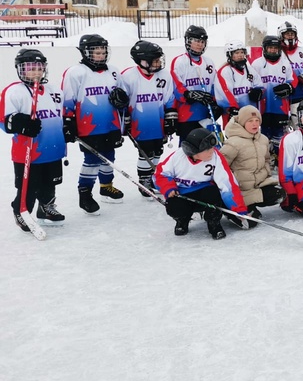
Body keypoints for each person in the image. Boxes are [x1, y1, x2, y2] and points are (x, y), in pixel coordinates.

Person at [2, 49, 67, 232]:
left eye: (39, 67)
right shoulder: (14, 91)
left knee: (50, 182)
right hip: (28, 151)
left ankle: (46, 208)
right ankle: (22, 210)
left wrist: (68, 128)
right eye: (30, 68)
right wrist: (20, 124)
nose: (35, 72)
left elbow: (60, 115)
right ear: (20, 70)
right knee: (29, 185)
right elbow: (4, 121)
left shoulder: (55, 91)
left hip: (53, 147)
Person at [62, 34, 128, 212]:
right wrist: (68, 122)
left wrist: (123, 102)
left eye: (103, 52)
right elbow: (67, 99)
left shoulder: (113, 71)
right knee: (92, 160)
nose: (100, 55)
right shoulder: (75, 72)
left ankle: (106, 187)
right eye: (96, 52)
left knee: (109, 157)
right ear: (85, 52)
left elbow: (121, 94)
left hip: (111, 123)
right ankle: (85, 193)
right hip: (88, 126)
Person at [154, 128, 248, 239]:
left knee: (213, 193)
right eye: (207, 149)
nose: (212, 151)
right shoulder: (177, 157)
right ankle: (182, 221)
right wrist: (168, 188)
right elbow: (159, 174)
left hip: (204, 192)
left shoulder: (216, 158)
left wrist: (239, 210)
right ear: (193, 150)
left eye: (212, 147)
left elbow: (227, 184)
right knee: (174, 206)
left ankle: (214, 224)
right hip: (182, 193)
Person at [118, 41, 177, 196]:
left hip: (158, 121)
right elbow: (122, 101)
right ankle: (144, 180)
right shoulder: (128, 76)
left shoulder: (164, 75)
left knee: (158, 150)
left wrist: (170, 117)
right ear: (142, 61)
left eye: (159, 59)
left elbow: (169, 98)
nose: (158, 63)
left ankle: (151, 177)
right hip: (140, 123)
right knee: (145, 151)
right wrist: (126, 120)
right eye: (155, 60)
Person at [220, 105, 283, 219]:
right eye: (250, 121)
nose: (254, 124)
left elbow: (267, 159)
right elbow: (221, 166)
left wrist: (267, 174)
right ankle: (235, 208)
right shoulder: (233, 143)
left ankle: (252, 204)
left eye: (257, 120)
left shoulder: (263, 139)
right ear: (243, 123)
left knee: (279, 194)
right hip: (241, 189)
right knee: (251, 222)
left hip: (258, 184)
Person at [170, 25, 220, 144]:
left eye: (202, 41)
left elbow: (215, 85)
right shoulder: (180, 61)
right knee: (187, 149)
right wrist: (189, 94)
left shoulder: (209, 62)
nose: (200, 44)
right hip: (187, 115)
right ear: (188, 41)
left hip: (205, 114)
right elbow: (176, 85)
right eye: (196, 41)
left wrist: (215, 102)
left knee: (207, 148)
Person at [252, 35, 297, 146]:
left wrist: (289, 87)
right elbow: (250, 83)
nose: (273, 50)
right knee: (263, 141)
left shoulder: (285, 63)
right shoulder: (256, 64)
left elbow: (292, 81)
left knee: (280, 141)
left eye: (275, 48)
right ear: (265, 48)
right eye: (270, 47)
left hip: (280, 109)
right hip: (262, 109)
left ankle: (278, 160)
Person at [215, 40, 260, 122]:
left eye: (242, 52)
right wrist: (233, 108)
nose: (240, 55)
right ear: (230, 55)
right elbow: (224, 93)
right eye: (236, 53)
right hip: (233, 116)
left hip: (250, 115)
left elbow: (259, 85)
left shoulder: (249, 70)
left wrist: (259, 91)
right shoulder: (225, 71)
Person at [278, 21, 303, 112]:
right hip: (281, 96)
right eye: (287, 34)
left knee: (298, 124)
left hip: (300, 95)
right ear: (281, 36)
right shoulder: (277, 52)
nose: (290, 36)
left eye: (292, 34)